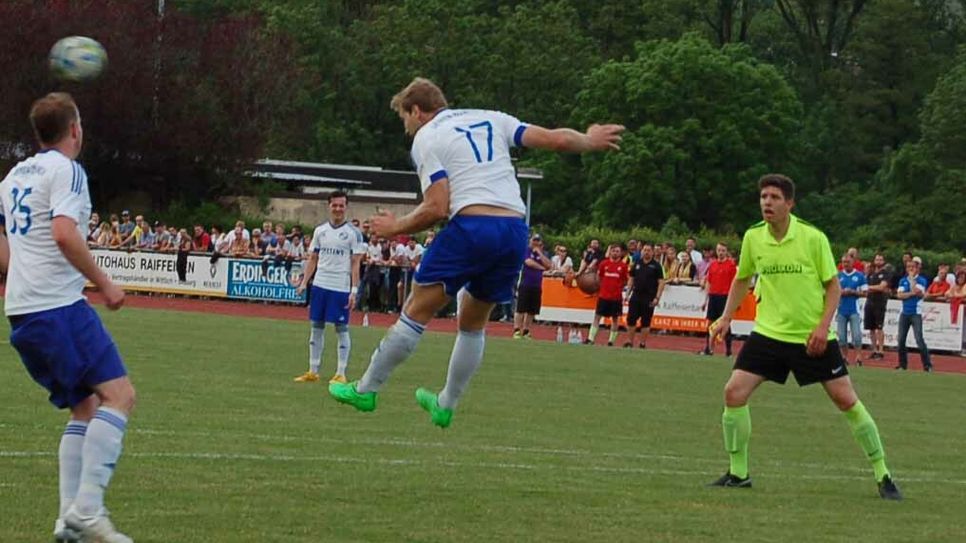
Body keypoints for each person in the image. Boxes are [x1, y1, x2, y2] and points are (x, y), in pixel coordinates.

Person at [328, 77, 623, 427]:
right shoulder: (492, 117)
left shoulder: (427, 136)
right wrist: (589, 140)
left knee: (415, 311)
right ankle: (445, 404)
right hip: (514, 230)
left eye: (404, 119)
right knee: (472, 322)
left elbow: (437, 207)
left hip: (473, 226)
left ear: (417, 111)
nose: (406, 128)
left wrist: (395, 227)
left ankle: (366, 389)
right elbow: (556, 138)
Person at [707, 174, 901, 500]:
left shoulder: (812, 238)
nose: (767, 202)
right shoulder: (754, 238)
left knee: (845, 400)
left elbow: (833, 287)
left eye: (775, 197)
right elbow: (742, 279)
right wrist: (726, 317)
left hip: (811, 336)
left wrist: (823, 327)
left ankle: (883, 474)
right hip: (769, 333)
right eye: (763, 197)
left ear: (790, 203)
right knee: (734, 393)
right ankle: (738, 473)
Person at [0, 93, 135, 541]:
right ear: (74, 129)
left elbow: (4, 248)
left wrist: (23, 271)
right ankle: (89, 508)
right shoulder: (68, 171)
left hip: (22, 311)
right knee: (119, 396)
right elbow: (64, 233)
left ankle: (68, 520)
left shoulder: (14, 175)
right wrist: (105, 283)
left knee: (84, 407)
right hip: (57, 306)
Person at [294, 191, 366, 384]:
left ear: (346, 207)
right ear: (329, 206)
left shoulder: (354, 233)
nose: (338, 209)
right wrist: (304, 282)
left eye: (341, 205)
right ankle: (313, 370)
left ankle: (341, 372)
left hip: (340, 287)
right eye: (335, 205)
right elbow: (313, 259)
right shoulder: (320, 231)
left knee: (341, 328)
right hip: (320, 285)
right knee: (316, 326)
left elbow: (355, 263)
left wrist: (354, 290)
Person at [584, 244, 629, 346]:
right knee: (597, 317)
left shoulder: (623, 266)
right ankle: (590, 339)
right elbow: (599, 278)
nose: (615, 253)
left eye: (617, 251)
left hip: (616, 297)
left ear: (620, 253)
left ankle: (611, 341)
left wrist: (618, 287)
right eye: (613, 251)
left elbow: (625, 280)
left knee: (615, 319)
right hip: (603, 296)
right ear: (610, 252)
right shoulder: (604, 264)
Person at [622, 243, 665, 349]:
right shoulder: (636, 263)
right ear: (642, 251)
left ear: (652, 252)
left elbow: (661, 282)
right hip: (636, 295)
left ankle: (642, 343)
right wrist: (627, 293)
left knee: (645, 321)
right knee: (631, 320)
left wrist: (657, 297)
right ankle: (629, 341)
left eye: (649, 250)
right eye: (644, 250)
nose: (646, 252)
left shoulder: (656, 266)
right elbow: (631, 279)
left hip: (649, 297)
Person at [895, 259, 933, 372]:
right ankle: (902, 364)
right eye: (908, 267)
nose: (910, 269)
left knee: (919, 339)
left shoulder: (921, 280)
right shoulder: (902, 280)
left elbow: (917, 291)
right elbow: (900, 295)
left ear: (917, 268)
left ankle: (927, 365)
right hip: (904, 313)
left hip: (916, 313)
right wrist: (911, 294)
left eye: (913, 267)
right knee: (901, 340)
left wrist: (912, 282)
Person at [700, 242, 737, 356]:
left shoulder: (731, 265)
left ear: (726, 252)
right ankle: (708, 348)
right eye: (719, 250)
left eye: (723, 250)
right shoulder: (713, 265)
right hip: (713, 296)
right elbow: (709, 282)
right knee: (710, 323)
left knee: (725, 324)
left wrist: (734, 300)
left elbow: (735, 284)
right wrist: (705, 300)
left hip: (725, 297)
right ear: (716, 251)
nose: (721, 253)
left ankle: (728, 350)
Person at [513, 234, 552, 339]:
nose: (536, 242)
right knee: (521, 308)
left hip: (536, 285)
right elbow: (528, 262)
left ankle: (526, 330)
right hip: (525, 283)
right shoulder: (526, 251)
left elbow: (549, 265)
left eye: (538, 241)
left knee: (531, 310)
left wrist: (539, 253)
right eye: (534, 240)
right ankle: (517, 330)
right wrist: (541, 268)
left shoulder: (542, 253)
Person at [836, 254, 867, 367]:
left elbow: (865, 293)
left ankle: (858, 356)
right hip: (841, 310)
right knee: (842, 337)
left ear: (852, 262)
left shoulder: (859, 276)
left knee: (857, 335)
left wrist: (853, 292)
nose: (845, 264)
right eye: (844, 262)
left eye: (847, 262)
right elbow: (833, 291)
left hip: (854, 310)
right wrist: (842, 292)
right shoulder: (838, 276)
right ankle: (844, 357)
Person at [863, 254, 891, 360]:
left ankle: (881, 350)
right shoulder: (870, 274)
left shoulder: (885, 273)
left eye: (880, 259)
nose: (878, 261)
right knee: (871, 328)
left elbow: (882, 287)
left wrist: (869, 287)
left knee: (879, 327)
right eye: (877, 259)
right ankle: (874, 350)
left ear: (883, 261)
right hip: (869, 301)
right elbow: (864, 288)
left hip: (879, 303)